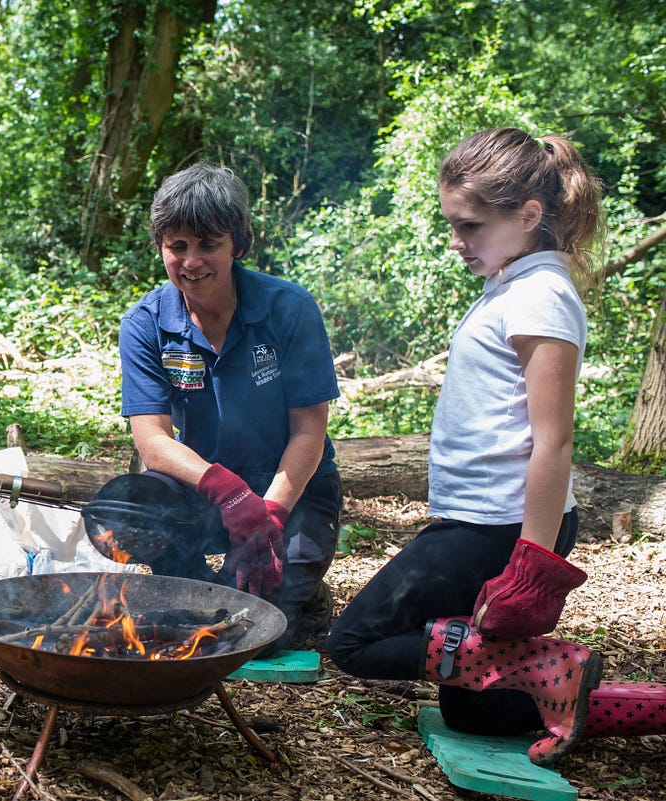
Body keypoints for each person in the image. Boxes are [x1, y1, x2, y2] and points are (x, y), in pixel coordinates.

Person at [326, 127, 606, 766]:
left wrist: (531, 565)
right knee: (473, 704)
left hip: (498, 527)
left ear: (529, 215)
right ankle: (585, 694)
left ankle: (555, 665)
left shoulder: (541, 296)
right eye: (453, 224)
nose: (457, 242)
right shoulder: (514, 286)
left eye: (471, 226)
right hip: (484, 520)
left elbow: (554, 440)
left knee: (353, 643)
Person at [109, 162, 343, 654]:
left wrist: (271, 514)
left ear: (238, 244)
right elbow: (152, 441)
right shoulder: (146, 322)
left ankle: (307, 593)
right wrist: (230, 494)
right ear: (161, 248)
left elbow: (309, 431)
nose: (191, 262)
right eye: (177, 246)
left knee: (263, 628)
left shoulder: (289, 309)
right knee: (186, 621)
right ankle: (189, 579)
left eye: (207, 244)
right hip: (201, 490)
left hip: (290, 488)